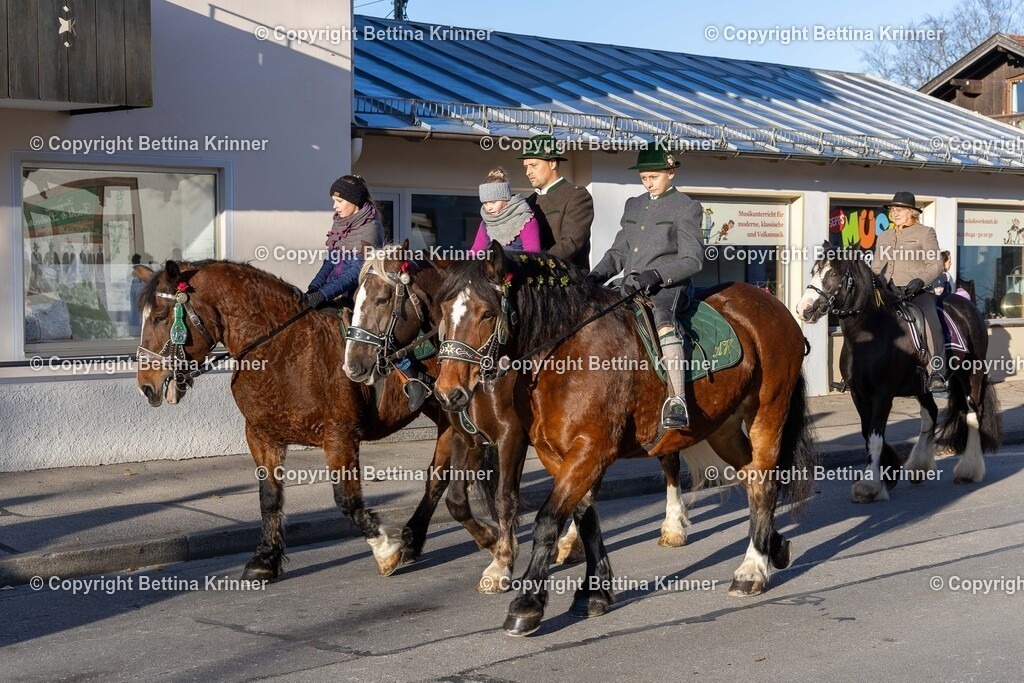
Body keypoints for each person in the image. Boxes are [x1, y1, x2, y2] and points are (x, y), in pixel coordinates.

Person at [586, 146, 704, 429]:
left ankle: (677, 400)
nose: (648, 182)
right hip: (631, 285)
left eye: (653, 176)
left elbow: (694, 260)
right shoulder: (634, 205)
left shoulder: (686, 207)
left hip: (667, 287)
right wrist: (594, 277)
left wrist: (658, 273)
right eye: (643, 177)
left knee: (664, 322)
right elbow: (618, 251)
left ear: (671, 173)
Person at [305, 175, 429, 410]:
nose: (334, 206)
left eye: (338, 201)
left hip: (361, 292)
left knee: (375, 328)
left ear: (353, 201)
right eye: (334, 200)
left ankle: (412, 377)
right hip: (335, 288)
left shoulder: (370, 227)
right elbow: (329, 263)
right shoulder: (340, 224)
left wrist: (324, 294)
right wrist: (314, 288)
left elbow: (353, 273)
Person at [870, 191, 946, 393]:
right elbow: (877, 267)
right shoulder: (884, 235)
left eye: (899, 209)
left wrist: (920, 281)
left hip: (918, 292)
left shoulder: (925, 232)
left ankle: (936, 371)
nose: (894, 213)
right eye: (892, 209)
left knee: (931, 325)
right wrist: (875, 283)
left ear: (912, 212)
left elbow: (936, 264)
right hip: (889, 291)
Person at [519, 134, 594, 270]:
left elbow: (571, 243)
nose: (528, 172)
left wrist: (536, 264)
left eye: (533, 165)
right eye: (526, 167)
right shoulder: (528, 202)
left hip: (568, 281)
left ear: (552, 163)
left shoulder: (577, 196)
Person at [470, 168, 541, 253]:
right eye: (485, 203)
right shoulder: (485, 224)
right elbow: (475, 251)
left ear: (505, 198)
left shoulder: (525, 220)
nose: (489, 207)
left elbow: (533, 254)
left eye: (493, 202)